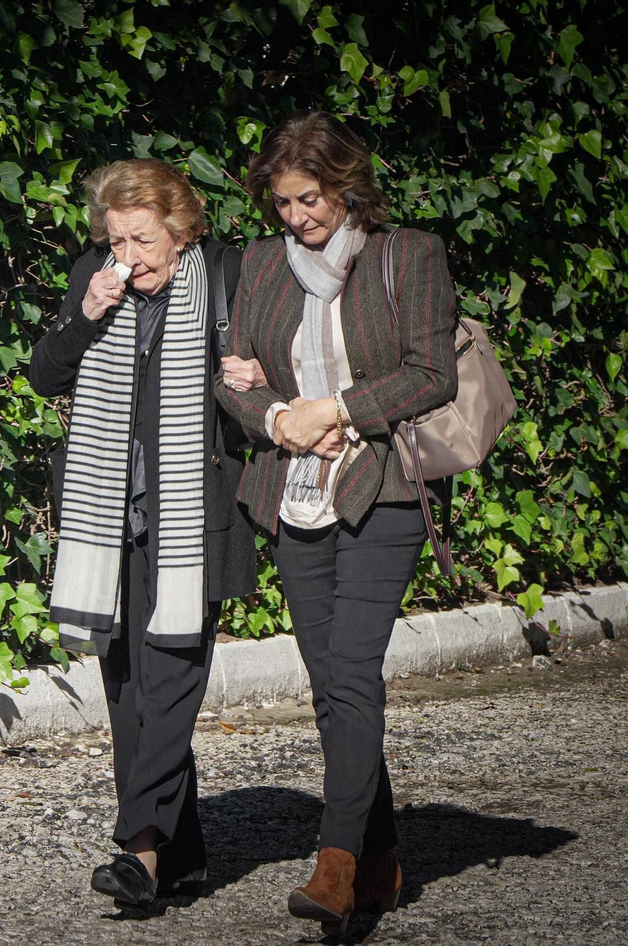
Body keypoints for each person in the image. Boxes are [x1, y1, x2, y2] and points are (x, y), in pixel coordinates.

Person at [213, 111, 459, 935]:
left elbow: (432, 373)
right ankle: (383, 858)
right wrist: (278, 417)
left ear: (348, 185)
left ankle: (337, 863)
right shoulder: (259, 266)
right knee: (332, 687)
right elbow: (234, 378)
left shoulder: (407, 256)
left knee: (351, 672)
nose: (295, 217)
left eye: (309, 199)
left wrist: (340, 409)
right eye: (282, 202)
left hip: (383, 488)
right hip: (293, 493)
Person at [27, 159, 257, 906]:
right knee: (126, 690)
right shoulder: (93, 276)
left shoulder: (226, 273)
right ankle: (178, 854)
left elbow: (267, 381)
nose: (128, 256)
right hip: (109, 518)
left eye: (144, 240)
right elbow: (44, 376)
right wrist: (85, 313)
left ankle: (138, 848)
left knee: (169, 682)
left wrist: (257, 382)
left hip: (194, 517)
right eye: (117, 238)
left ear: (181, 229)